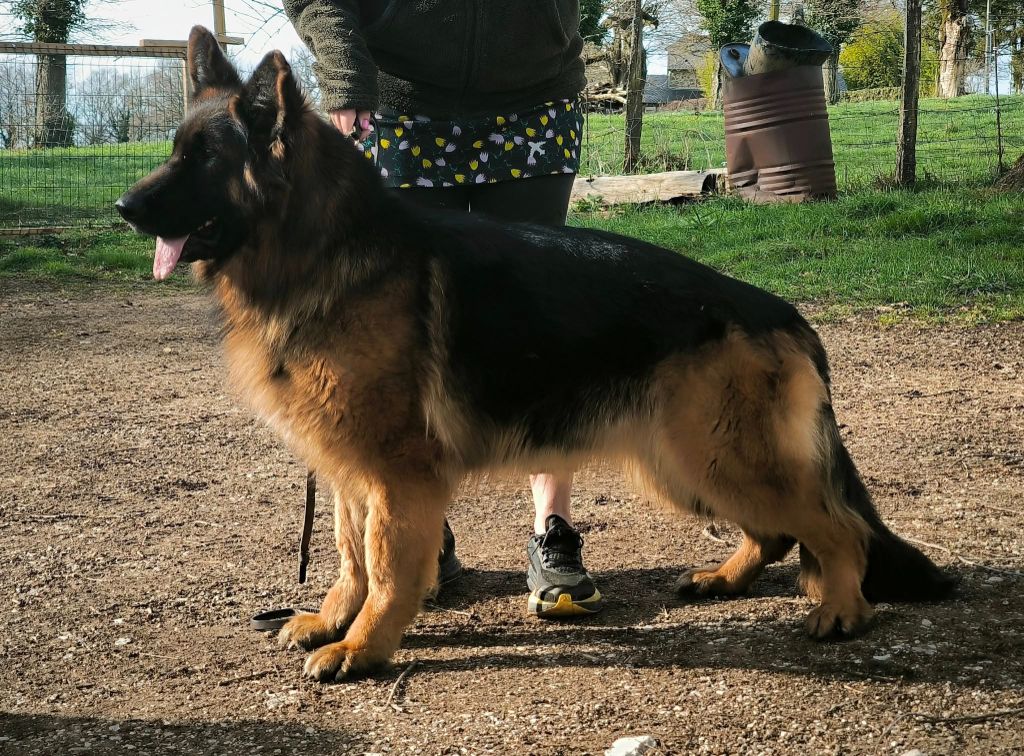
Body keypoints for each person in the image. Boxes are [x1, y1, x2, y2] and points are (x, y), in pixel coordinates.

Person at [283, 0, 603, 617]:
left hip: (536, 101)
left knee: (532, 322)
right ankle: (421, 534)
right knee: (405, 335)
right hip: (403, 107)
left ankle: (553, 531)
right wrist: (347, 75)